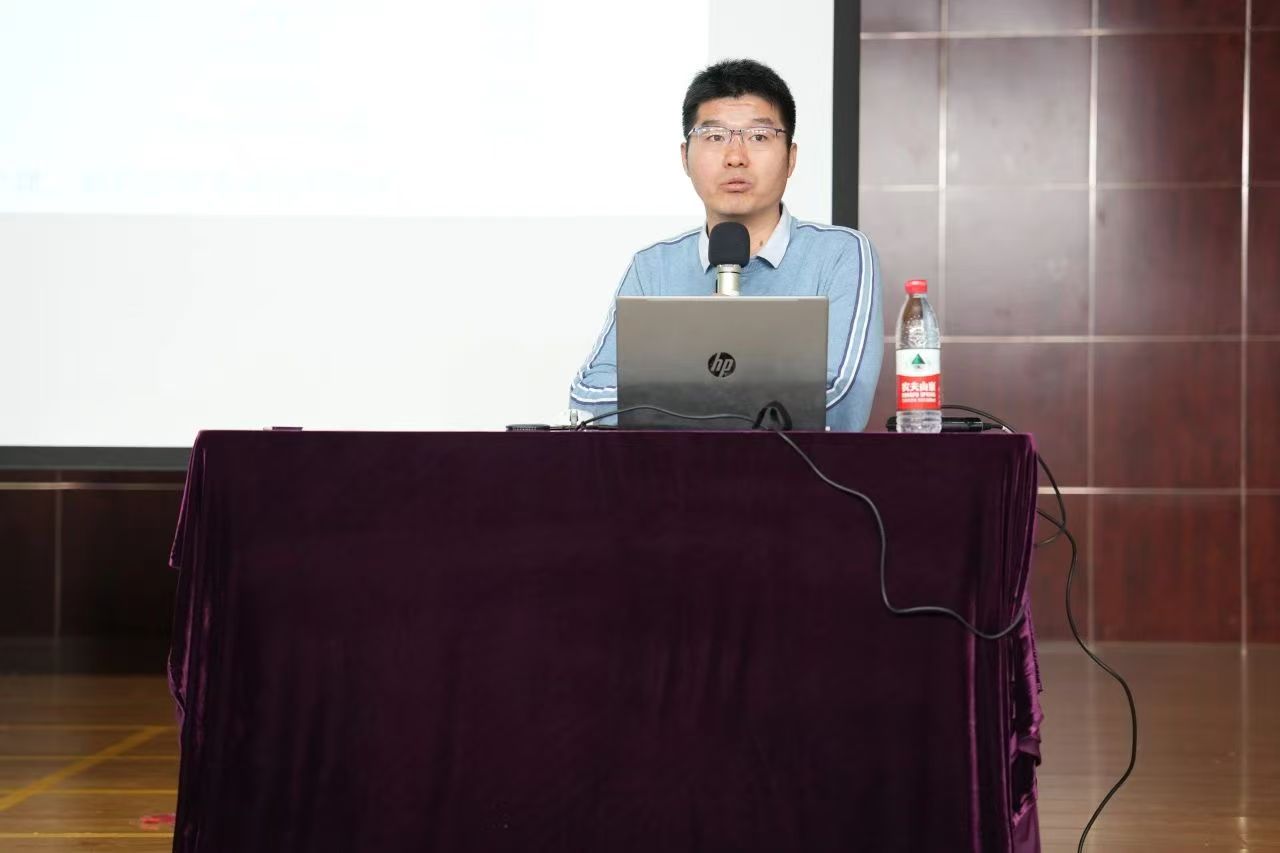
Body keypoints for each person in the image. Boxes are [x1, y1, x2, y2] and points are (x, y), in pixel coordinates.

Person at [568, 58, 882, 430]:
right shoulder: (654, 267)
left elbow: (842, 398)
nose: (735, 157)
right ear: (685, 157)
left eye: (759, 137)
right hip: (673, 470)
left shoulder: (840, 255)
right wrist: (746, 406)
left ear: (791, 158)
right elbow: (588, 399)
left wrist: (669, 405)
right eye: (715, 137)